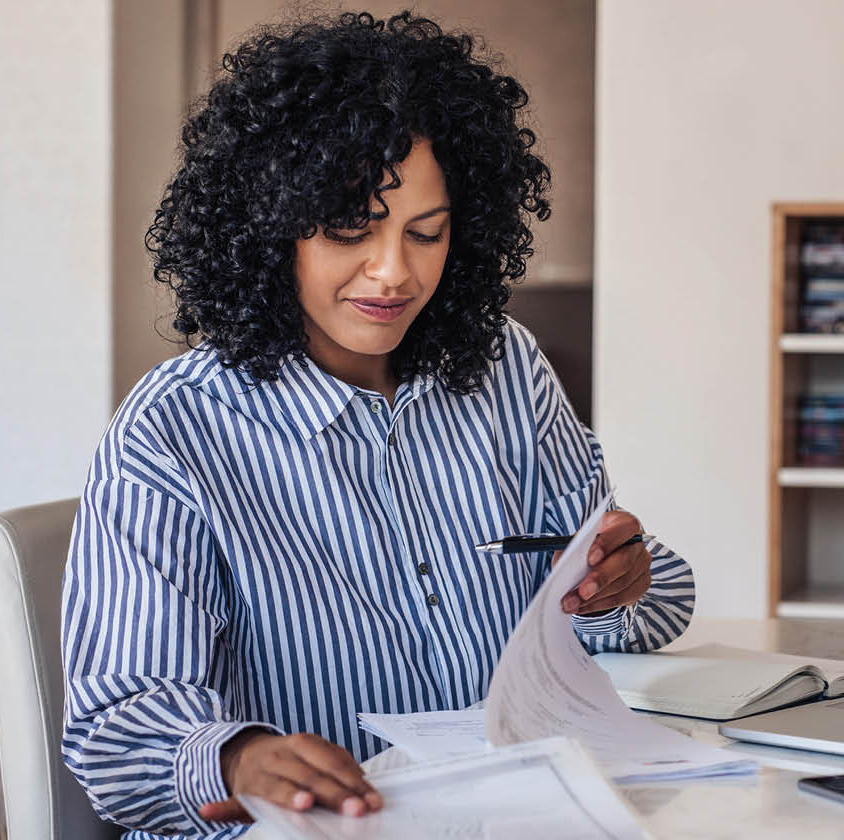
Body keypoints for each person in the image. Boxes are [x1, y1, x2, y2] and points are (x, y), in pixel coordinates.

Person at [60, 12, 695, 839]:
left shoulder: (507, 369)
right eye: (350, 231)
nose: (394, 273)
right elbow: (118, 730)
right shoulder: (175, 431)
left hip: (510, 811)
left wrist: (619, 585)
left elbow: (633, 607)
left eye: (426, 233)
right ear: (268, 232)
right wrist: (237, 758)